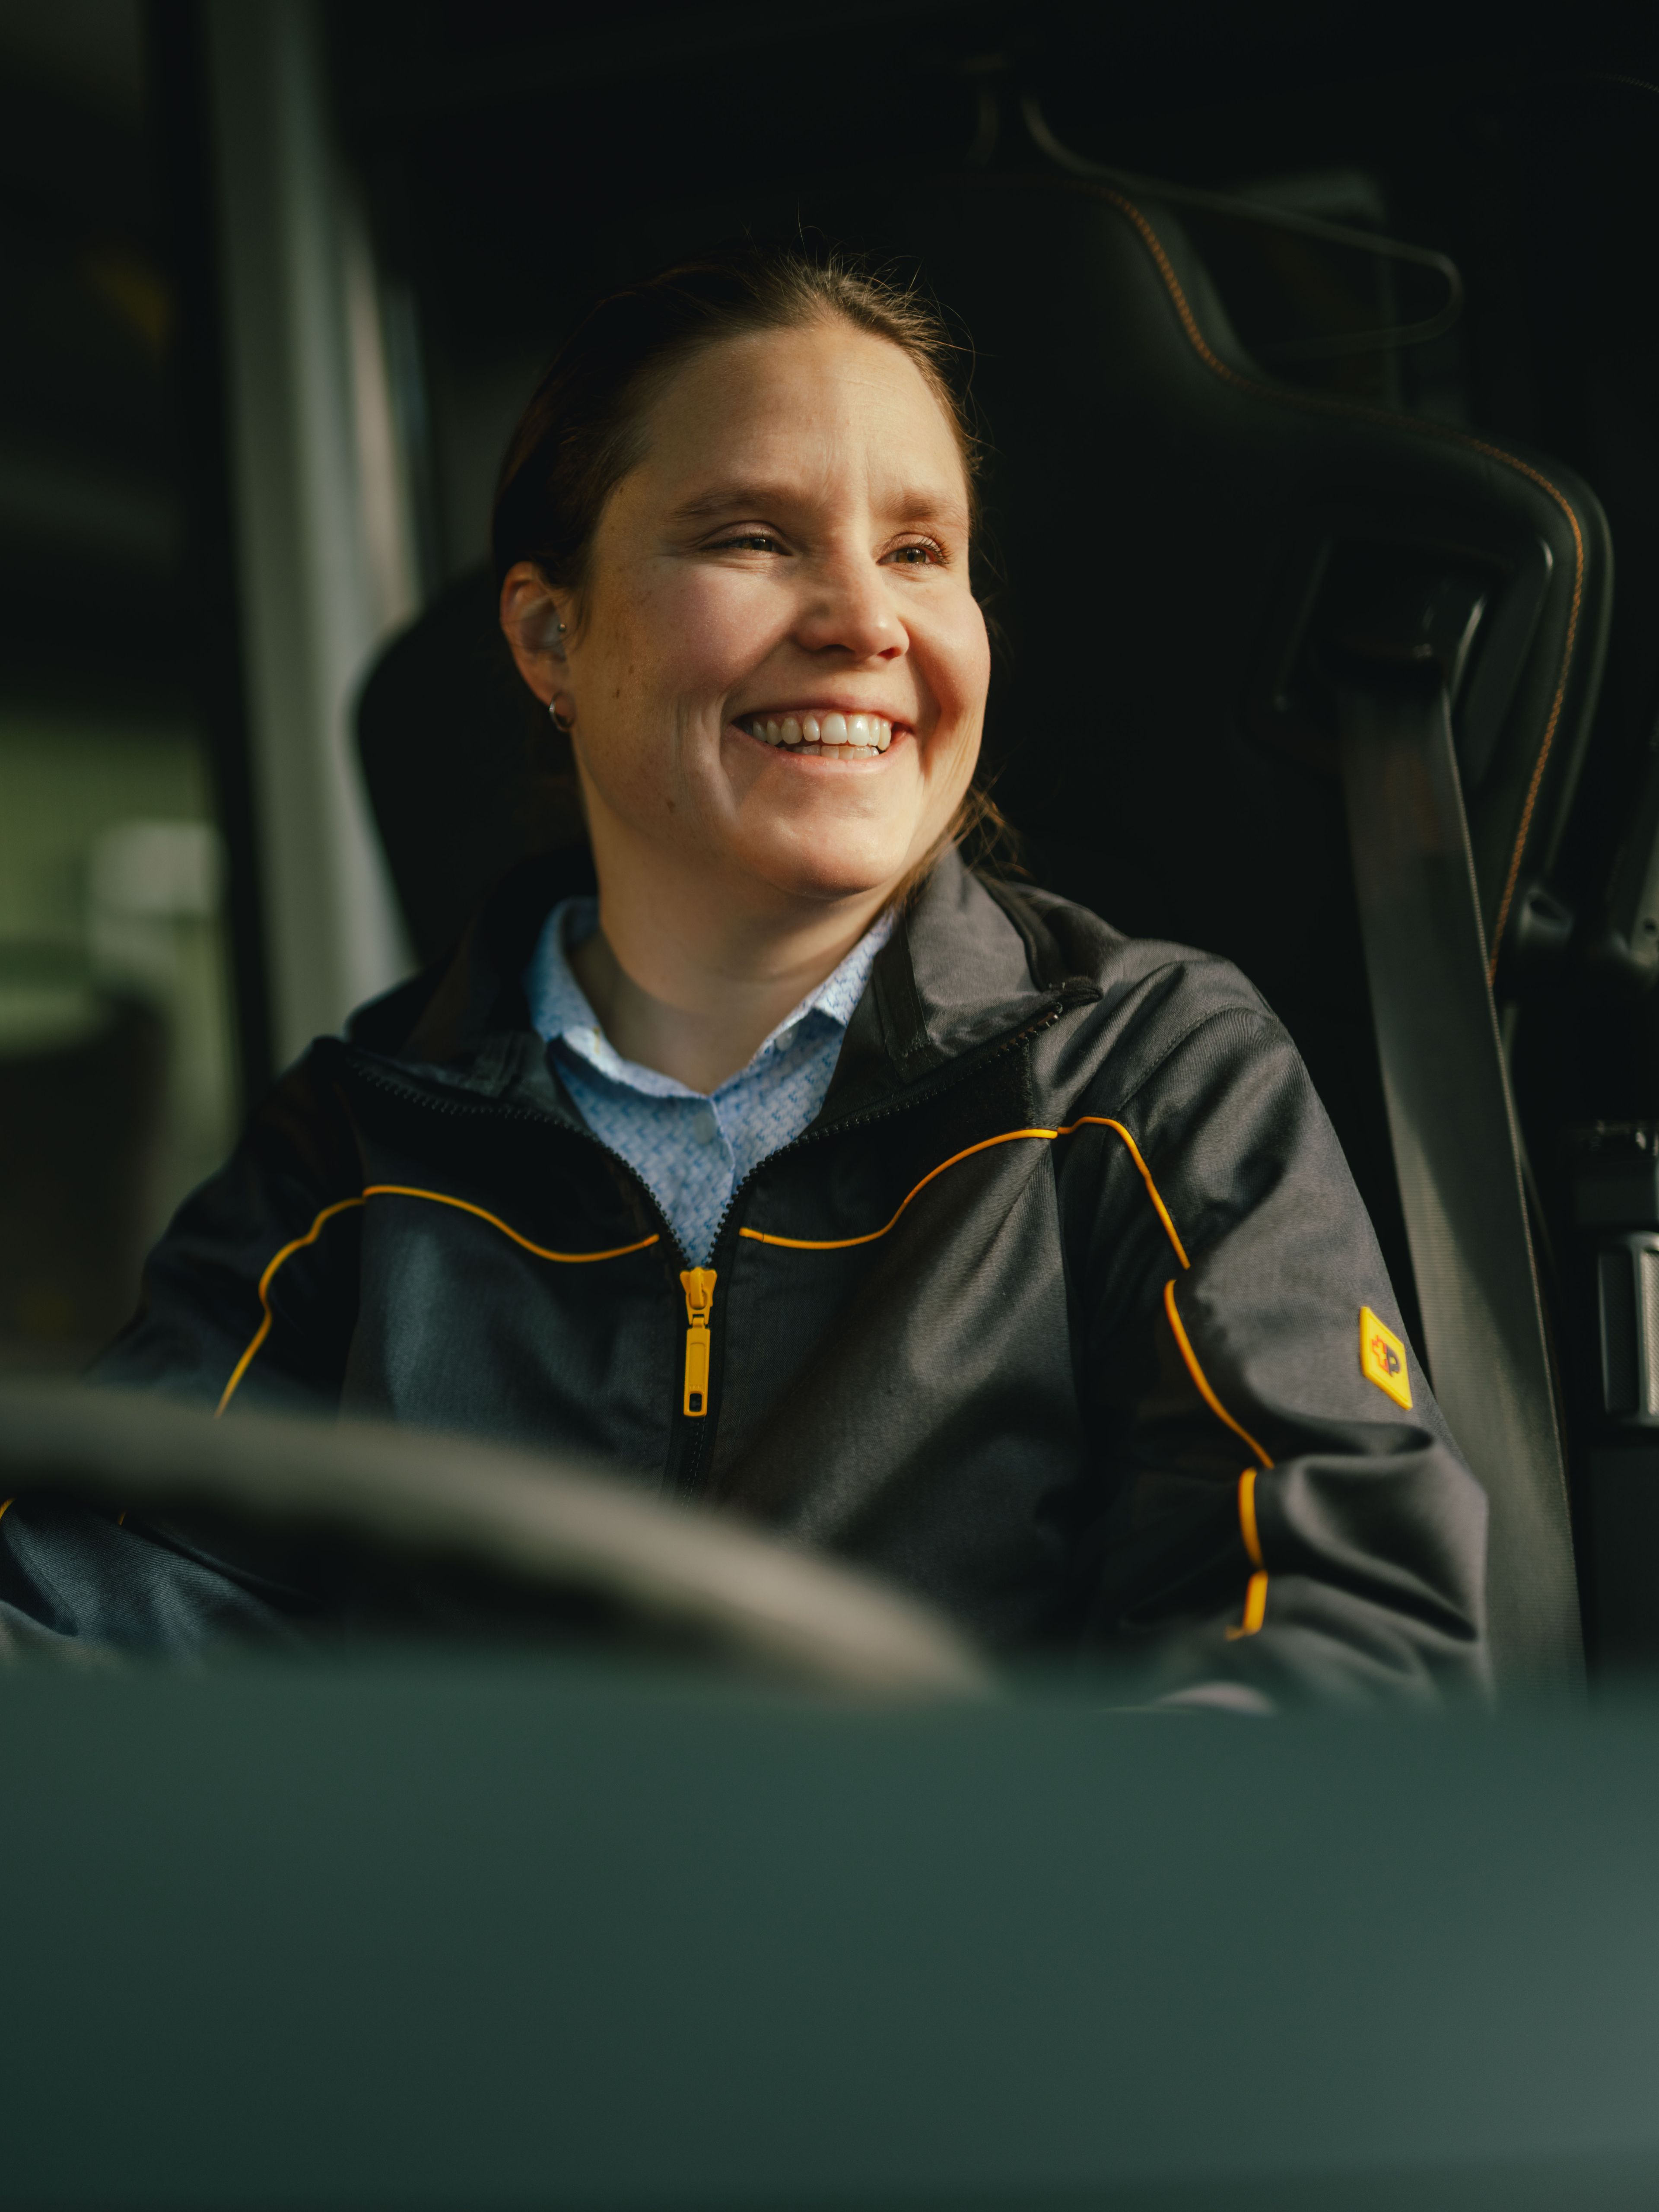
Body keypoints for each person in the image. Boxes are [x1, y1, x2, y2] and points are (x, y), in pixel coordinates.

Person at [0, 245, 1487, 1703]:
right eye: (754, 538)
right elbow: (84, 1623)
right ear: (547, 635)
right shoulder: (354, 1152)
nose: (865, 620)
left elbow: (1333, 1641)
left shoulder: (1146, 1076)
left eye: (918, 551)